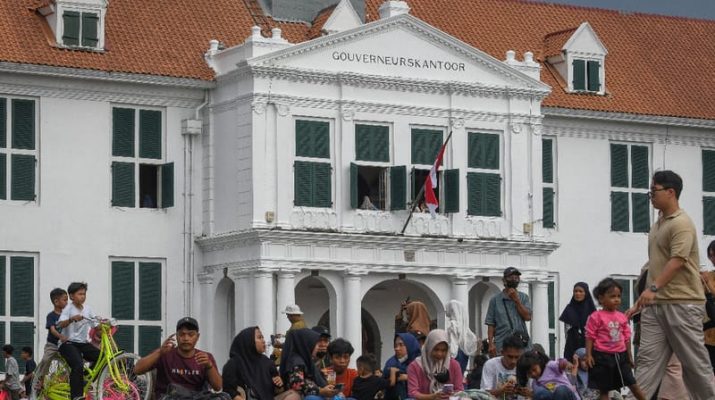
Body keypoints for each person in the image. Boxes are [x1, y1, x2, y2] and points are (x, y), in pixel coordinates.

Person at [628, 170, 715, 400]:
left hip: (682, 303)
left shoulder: (682, 223)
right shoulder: (658, 225)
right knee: (646, 360)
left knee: (694, 365)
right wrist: (641, 300)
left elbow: (678, 261)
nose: (650, 196)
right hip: (655, 306)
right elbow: (655, 265)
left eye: (654, 190)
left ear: (670, 192)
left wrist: (653, 288)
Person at [134, 317, 228, 399]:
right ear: (177, 336)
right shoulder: (165, 353)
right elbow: (137, 370)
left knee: (224, 397)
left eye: (190, 335)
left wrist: (209, 366)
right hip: (169, 397)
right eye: (182, 334)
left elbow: (218, 387)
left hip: (196, 397)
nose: (186, 338)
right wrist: (159, 352)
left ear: (197, 337)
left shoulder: (205, 357)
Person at [584, 278, 645, 400]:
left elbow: (626, 338)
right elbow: (590, 336)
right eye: (612, 296)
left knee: (633, 383)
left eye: (618, 296)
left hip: (621, 357)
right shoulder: (596, 317)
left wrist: (629, 356)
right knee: (604, 390)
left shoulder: (622, 317)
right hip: (602, 358)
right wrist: (588, 355)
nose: (617, 299)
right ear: (601, 299)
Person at [222, 326, 299, 400]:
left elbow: (277, 392)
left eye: (263, 337)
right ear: (249, 341)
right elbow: (229, 391)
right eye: (259, 337)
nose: (263, 341)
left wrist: (279, 384)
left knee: (293, 395)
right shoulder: (234, 364)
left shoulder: (267, 362)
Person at [56, 282, 99, 400]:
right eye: (80, 294)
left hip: (83, 343)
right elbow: (60, 324)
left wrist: (105, 325)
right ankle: (76, 396)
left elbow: (96, 325)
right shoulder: (68, 309)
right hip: (68, 343)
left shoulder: (88, 309)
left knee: (103, 357)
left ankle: (83, 379)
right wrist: (71, 319)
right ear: (71, 296)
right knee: (78, 364)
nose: (83, 296)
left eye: (84, 294)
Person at [485, 267, 532, 356]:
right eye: (511, 277)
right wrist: (490, 343)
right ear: (504, 280)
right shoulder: (495, 300)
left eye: (516, 277)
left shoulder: (524, 297)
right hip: (501, 343)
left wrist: (516, 300)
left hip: (521, 343)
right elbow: (490, 324)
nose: (514, 279)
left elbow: (528, 317)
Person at [280, 328, 337, 400]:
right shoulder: (296, 361)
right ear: (306, 344)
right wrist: (321, 391)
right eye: (316, 344)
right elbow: (297, 385)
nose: (318, 347)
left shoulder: (305, 360)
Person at [407, 329, 463, 400]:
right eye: (436, 349)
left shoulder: (454, 365)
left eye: (443, 350)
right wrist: (433, 397)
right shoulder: (415, 366)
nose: (439, 354)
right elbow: (413, 393)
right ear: (429, 347)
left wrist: (451, 395)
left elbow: (459, 390)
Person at [480, 335, 528, 399]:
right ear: (502, 352)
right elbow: (483, 394)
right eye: (510, 357)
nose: (513, 361)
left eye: (517, 357)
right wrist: (501, 391)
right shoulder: (490, 365)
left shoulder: (525, 366)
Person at [559, 283, 596, 360]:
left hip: (589, 346)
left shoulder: (591, 311)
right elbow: (567, 331)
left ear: (586, 293)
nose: (577, 294)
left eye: (580, 291)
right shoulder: (569, 309)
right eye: (575, 291)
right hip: (572, 345)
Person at [38, 288, 68, 377]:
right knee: (45, 360)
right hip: (52, 345)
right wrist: (60, 336)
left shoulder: (67, 315)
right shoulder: (51, 316)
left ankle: (65, 377)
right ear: (56, 302)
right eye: (65, 300)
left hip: (64, 345)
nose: (67, 302)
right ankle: (41, 379)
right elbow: (52, 330)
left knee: (72, 360)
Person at [382, 333, 420, 400]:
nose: (397, 348)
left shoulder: (420, 362)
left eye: (401, 345)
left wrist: (409, 378)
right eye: (395, 345)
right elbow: (385, 378)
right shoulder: (391, 363)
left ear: (409, 345)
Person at [445, 300, 479, 373]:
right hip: (464, 353)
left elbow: (453, 343)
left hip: (455, 354)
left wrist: (450, 357)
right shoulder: (463, 324)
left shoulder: (453, 324)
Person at [702, 239, 715, 371]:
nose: (712, 259)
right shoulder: (709, 275)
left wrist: (708, 284)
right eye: (710, 256)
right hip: (709, 334)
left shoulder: (709, 278)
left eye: (714, 255)